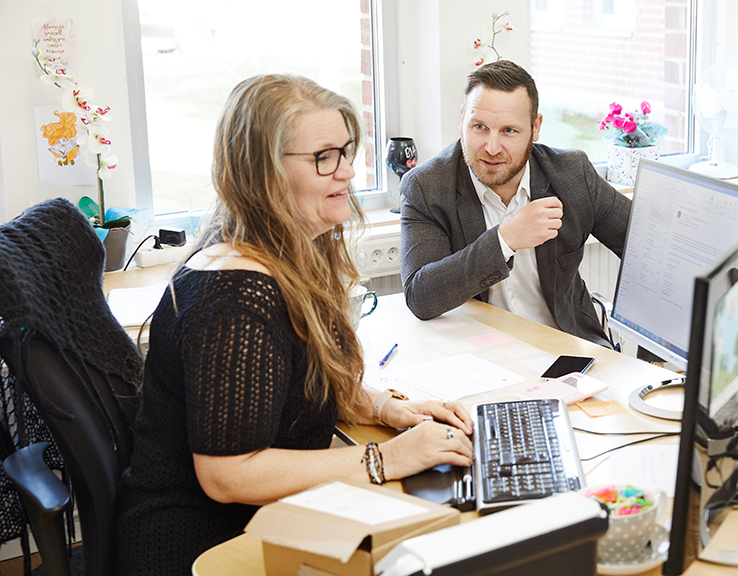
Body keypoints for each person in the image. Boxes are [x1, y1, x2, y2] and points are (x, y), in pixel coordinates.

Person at [115, 74, 474, 576]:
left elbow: (301, 379)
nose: (347, 172)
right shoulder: (236, 294)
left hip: (258, 521)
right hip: (203, 548)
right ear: (262, 173)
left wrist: (388, 407)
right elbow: (227, 474)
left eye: (347, 151)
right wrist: (384, 459)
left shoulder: (281, 254)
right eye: (324, 156)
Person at [399, 60, 632, 347]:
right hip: (482, 358)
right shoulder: (427, 186)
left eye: (509, 131)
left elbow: (646, 253)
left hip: (569, 349)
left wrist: (655, 359)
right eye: (479, 127)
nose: (492, 147)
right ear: (462, 120)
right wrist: (504, 239)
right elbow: (421, 297)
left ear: (535, 128)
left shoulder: (572, 174)